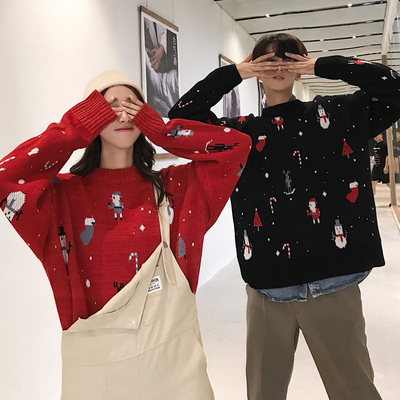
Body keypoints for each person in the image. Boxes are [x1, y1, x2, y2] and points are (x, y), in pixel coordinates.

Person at [169, 33, 400, 400]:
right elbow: (180, 120)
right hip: (268, 286)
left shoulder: (337, 115)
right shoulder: (241, 134)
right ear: (255, 68)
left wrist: (321, 66)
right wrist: (237, 72)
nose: (278, 65)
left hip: (333, 282)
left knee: (355, 391)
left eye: (288, 58)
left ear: (301, 65)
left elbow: (394, 88)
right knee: (263, 393)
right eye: (267, 60)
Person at [0, 70, 251, 399]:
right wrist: (76, 127)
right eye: (108, 106)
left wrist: (162, 130)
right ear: (90, 116)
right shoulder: (62, 199)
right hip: (97, 373)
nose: (123, 113)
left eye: (133, 104)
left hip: (176, 366)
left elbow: (237, 146)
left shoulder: (175, 189)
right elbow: (6, 177)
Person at [371, 132, 390, 196]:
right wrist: (373, 158)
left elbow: (387, 156)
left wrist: (386, 166)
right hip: (376, 167)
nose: (376, 137)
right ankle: (372, 198)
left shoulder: (385, 145)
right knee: (373, 183)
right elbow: (375, 154)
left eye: (377, 135)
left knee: (388, 183)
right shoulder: (375, 145)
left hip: (382, 166)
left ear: (381, 135)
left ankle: (394, 196)